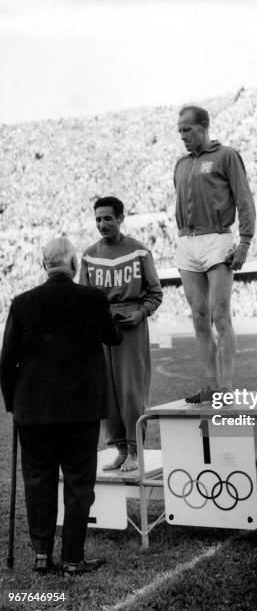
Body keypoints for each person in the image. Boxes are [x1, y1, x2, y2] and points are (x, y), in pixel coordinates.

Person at [0, 237, 122, 576]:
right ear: (74, 265)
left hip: (33, 411)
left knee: (38, 481)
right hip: (80, 410)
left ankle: (42, 555)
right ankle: (72, 558)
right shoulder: (93, 298)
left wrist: (14, 404)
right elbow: (113, 338)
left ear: (44, 265)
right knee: (78, 483)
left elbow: (6, 360)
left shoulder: (22, 302)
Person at [174, 105, 256, 403]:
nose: (183, 136)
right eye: (180, 130)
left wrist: (245, 241)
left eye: (188, 129)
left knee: (220, 313)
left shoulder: (226, 155)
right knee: (199, 316)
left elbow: (244, 198)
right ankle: (209, 385)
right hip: (187, 241)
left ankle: (226, 386)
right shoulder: (181, 164)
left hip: (217, 238)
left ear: (204, 126)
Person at [80, 196, 163, 472]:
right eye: (98, 219)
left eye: (107, 218)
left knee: (131, 389)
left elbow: (155, 293)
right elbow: (84, 297)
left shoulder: (139, 252)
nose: (102, 224)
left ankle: (135, 451)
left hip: (131, 327)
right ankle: (119, 447)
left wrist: (139, 314)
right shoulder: (89, 255)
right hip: (101, 327)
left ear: (120, 218)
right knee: (106, 390)